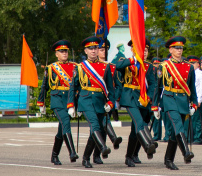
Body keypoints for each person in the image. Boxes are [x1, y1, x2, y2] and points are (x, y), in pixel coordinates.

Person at [71, 36, 116, 168]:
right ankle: (103, 147)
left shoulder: (105, 67)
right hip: (85, 100)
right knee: (95, 125)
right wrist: (71, 105)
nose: (93, 51)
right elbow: (73, 87)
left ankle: (86, 158)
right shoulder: (80, 67)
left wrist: (111, 103)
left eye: (96, 48)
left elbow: (110, 88)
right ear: (85, 51)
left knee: (97, 130)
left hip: (100, 101)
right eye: (90, 49)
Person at [115, 38, 160, 167]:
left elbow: (152, 85)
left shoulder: (149, 67)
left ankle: (132, 155)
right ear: (132, 50)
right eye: (141, 49)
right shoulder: (127, 63)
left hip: (143, 99)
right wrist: (133, 60)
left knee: (136, 129)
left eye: (146, 50)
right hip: (130, 97)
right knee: (139, 122)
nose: (144, 52)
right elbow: (118, 67)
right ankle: (148, 144)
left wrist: (150, 97)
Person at [156, 36, 198, 169]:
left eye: (181, 48)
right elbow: (158, 88)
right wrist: (154, 105)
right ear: (170, 49)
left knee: (177, 130)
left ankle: (168, 159)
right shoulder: (164, 66)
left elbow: (192, 88)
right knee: (178, 125)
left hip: (183, 100)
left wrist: (194, 103)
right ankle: (186, 152)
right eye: (176, 48)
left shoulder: (189, 67)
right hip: (169, 98)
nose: (179, 50)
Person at [37, 40, 79, 165]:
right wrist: (41, 102)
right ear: (56, 54)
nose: (64, 53)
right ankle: (72, 152)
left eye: (65, 51)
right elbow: (44, 86)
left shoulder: (75, 67)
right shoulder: (51, 68)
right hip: (58, 100)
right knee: (65, 122)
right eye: (61, 51)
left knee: (62, 130)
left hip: (70, 101)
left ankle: (54, 155)